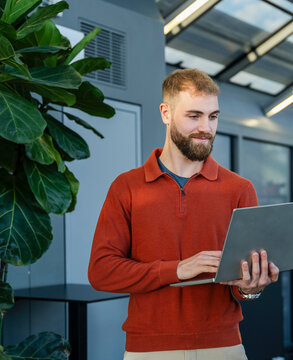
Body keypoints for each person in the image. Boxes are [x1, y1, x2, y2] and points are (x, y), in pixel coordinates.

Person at [88, 68, 279, 360]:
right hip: (148, 350)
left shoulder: (239, 189)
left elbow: (242, 284)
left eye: (213, 116)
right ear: (166, 113)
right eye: (194, 116)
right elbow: (101, 271)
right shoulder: (126, 187)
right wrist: (177, 269)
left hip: (224, 347)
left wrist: (250, 287)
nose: (206, 128)